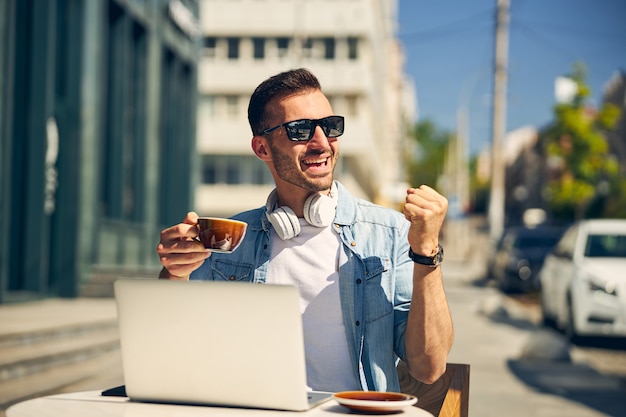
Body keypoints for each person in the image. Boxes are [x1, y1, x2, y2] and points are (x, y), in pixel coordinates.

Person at [156, 68, 453, 393]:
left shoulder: (390, 233)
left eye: (330, 127)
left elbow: (428, 367)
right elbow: (174, 348)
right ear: (262, 148)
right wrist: (174, 273)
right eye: (300, 130)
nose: (322, 143)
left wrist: (426, 254)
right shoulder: (229, 239)